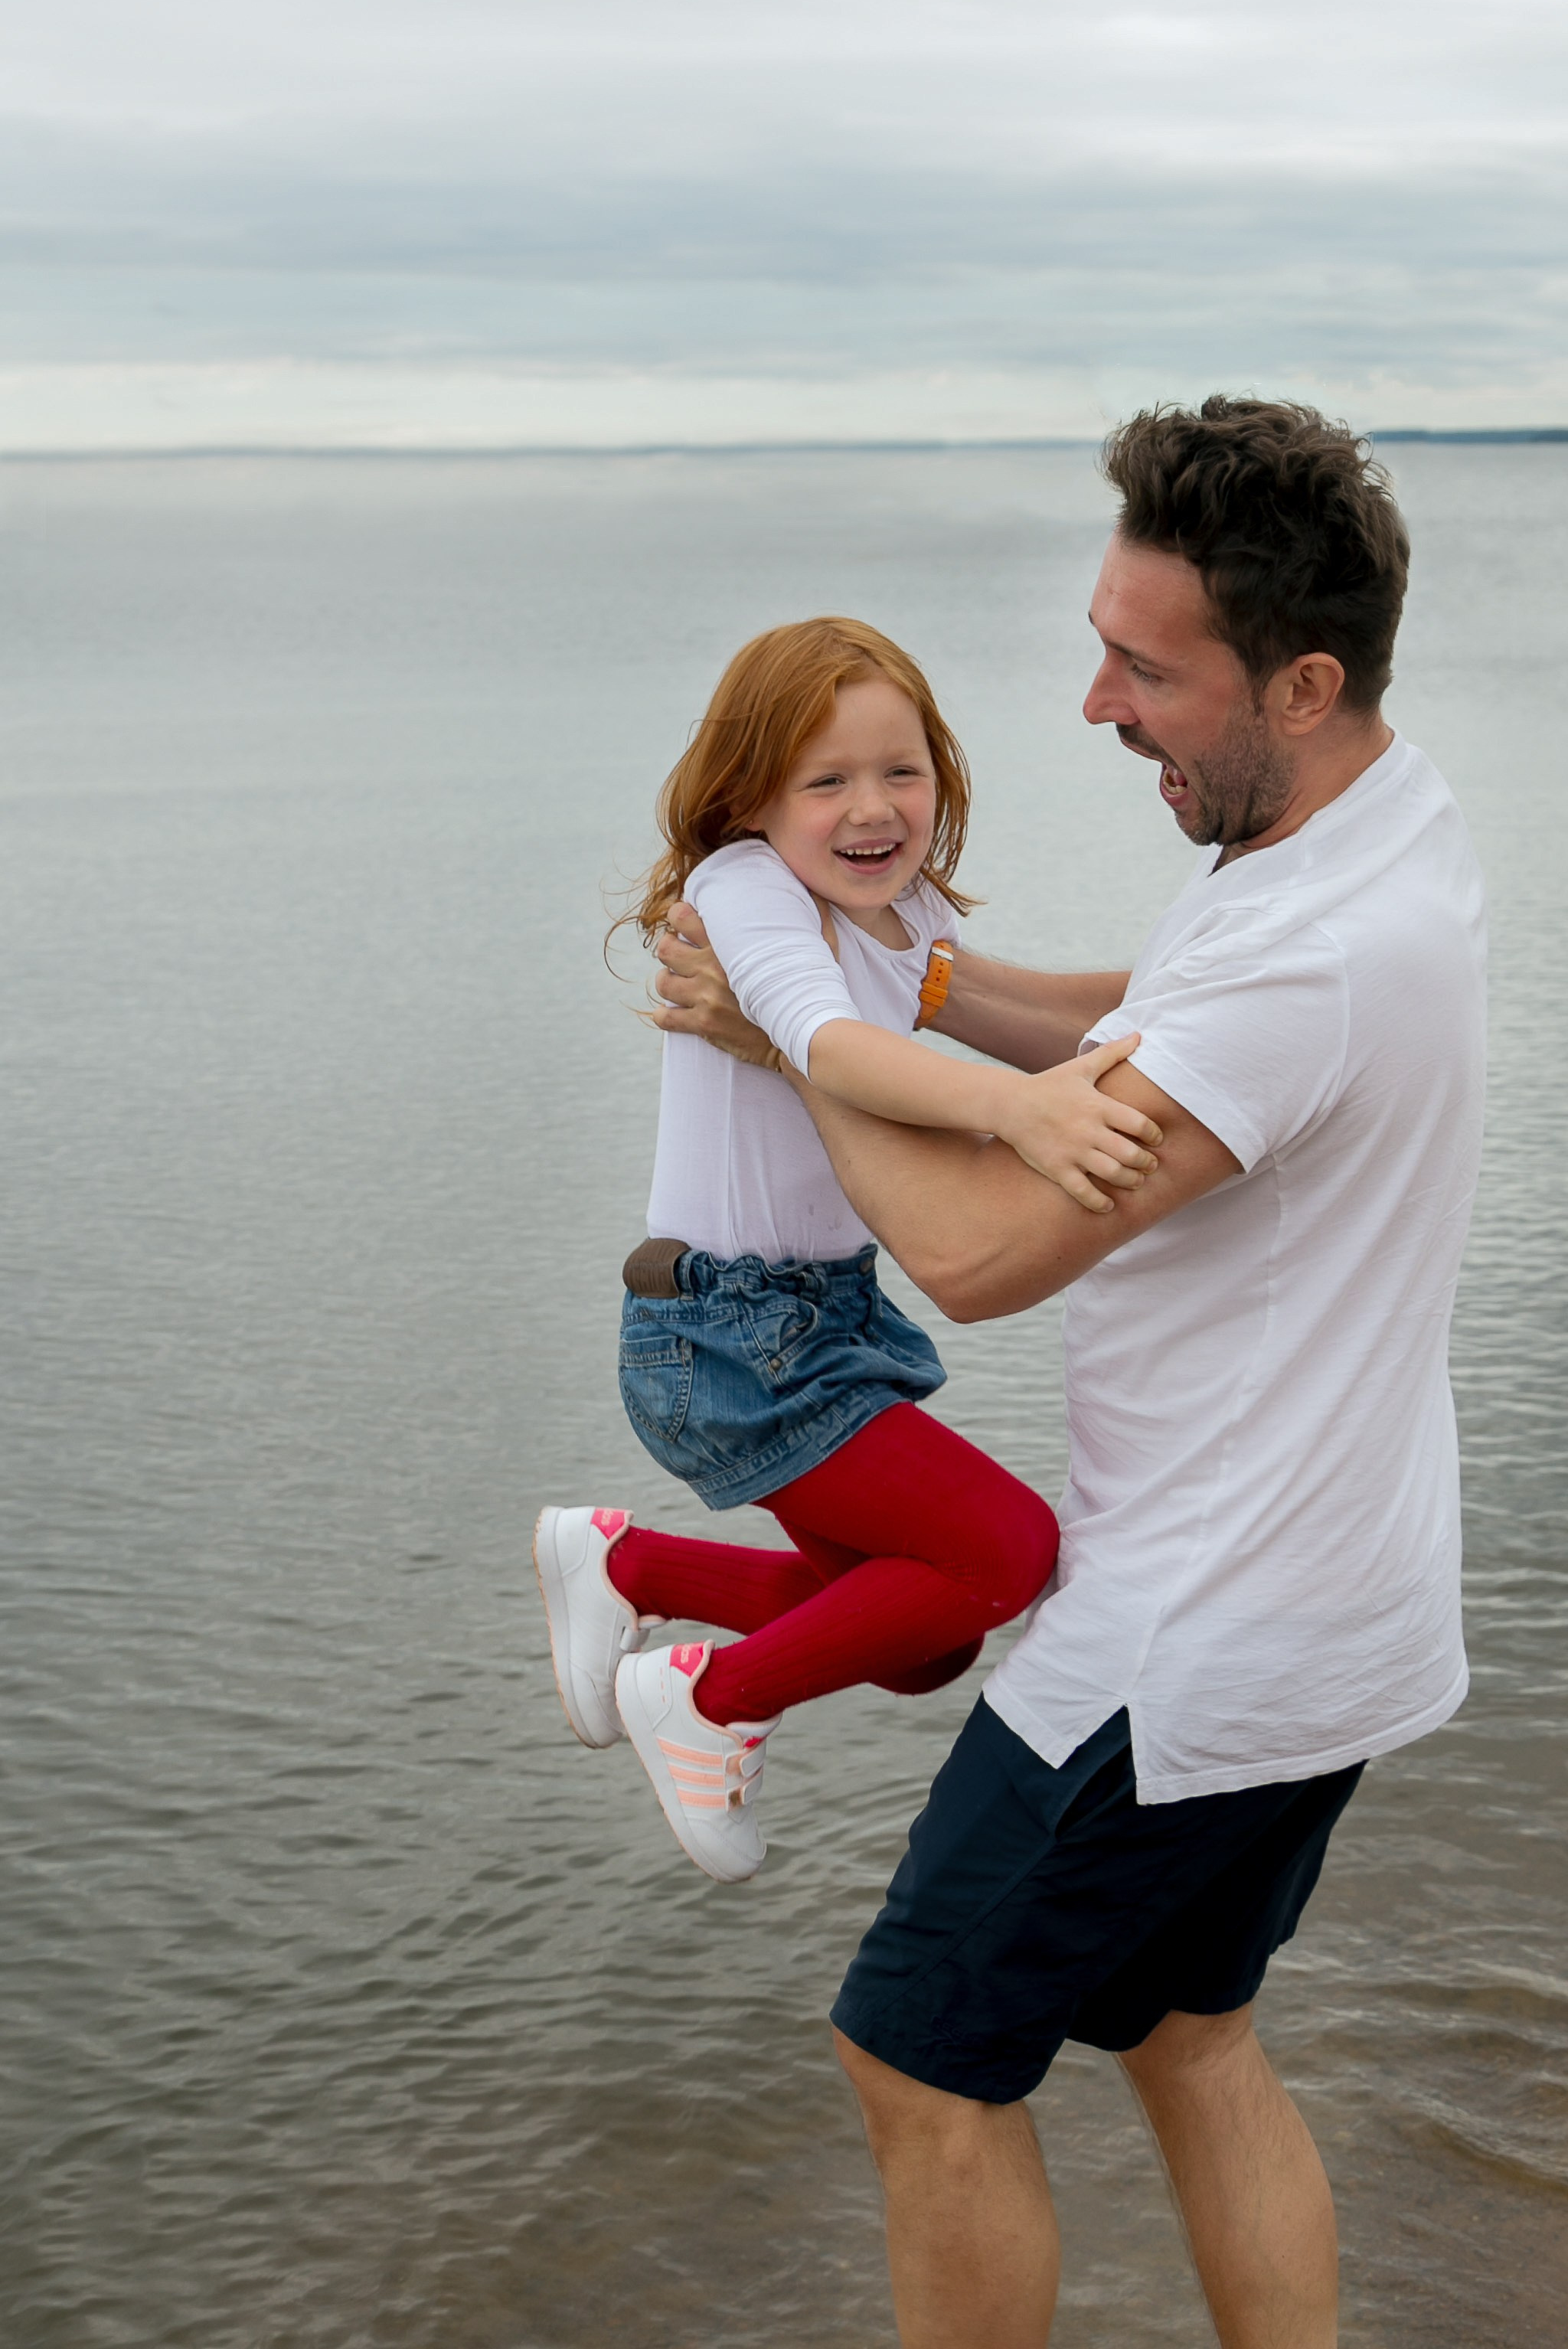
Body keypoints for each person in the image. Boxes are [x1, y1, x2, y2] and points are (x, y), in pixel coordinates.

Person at [654, 398, 1487, 2349]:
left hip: (1191, 1637)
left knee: (919, 2070)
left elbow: (972, 1254)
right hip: (1343, 1600)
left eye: (1144, 666)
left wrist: (790, 1038)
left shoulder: (1310, 959)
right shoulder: (1363, 825)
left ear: (1295, 677)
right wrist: (905, 972)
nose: (1096, 702)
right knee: (1193, 2038)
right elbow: (1112, 1024)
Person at [532, 616, 1161, 1882]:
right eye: (827, 781)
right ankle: (706, 1701)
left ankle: (625, 1562)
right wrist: (1014, 1108)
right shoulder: (746, 891)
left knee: (925, 1639)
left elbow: (1029, 1006)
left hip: (824, 1316)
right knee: (1005, 1550)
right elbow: (825, 1041)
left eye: (903, 771)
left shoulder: (899, 910)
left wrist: (1231, 990)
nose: (873, 809)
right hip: (725, 1332)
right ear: (749, 795)